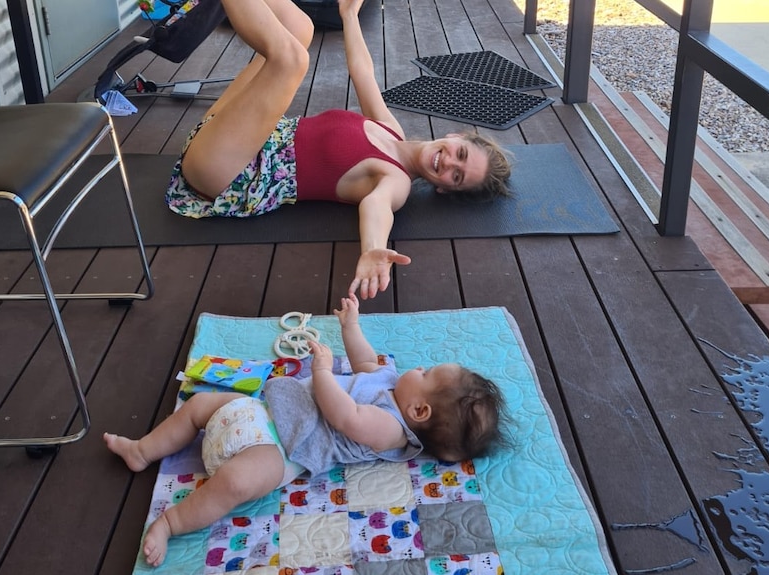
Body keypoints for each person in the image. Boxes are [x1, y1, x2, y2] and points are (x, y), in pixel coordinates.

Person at [104, 293, 507, 567]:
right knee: (199, 406)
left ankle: (171, 522)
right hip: (261, 409)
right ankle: (143, 450)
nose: (417, 368)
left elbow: (345, 416)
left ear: (419, 410)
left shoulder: (393, 431)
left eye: (427, 372)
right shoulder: (389, 381)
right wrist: (351, 326)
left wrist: (322, 372)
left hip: (284, 448)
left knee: (237, 484)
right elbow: (366, 363)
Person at [165, 0, 511, 300]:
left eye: (456, 176)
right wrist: (348, 14)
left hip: (229, 172)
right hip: (232, 137)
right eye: (460, 154)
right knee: (300, 26)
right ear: (455, 136)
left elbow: (377, 208)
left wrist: (374, 249)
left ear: (444, 188)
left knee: (291, 60)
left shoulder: (397, 182)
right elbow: (363, 73)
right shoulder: (392, 130)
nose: (448, 162)